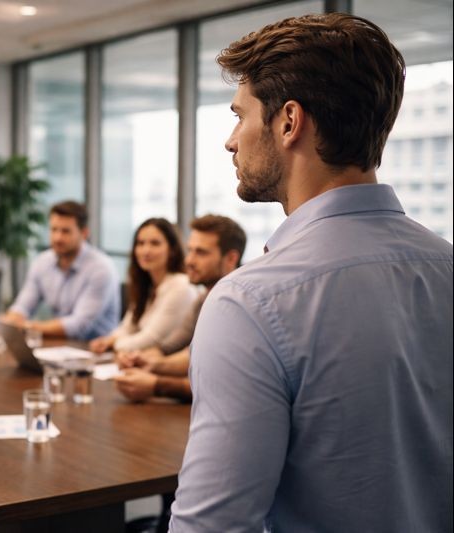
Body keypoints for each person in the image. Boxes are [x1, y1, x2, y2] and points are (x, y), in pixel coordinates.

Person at [170, 13, 453, 533]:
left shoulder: (251, 302)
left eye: (240, 116)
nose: (231, 141)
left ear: (288, 122)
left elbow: (212, 527)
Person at [114, 214, 245, 403]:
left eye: (201, 253)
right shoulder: (203, 298)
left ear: (231, 258)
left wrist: (156, 384)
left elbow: (220, 384)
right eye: (189, 250)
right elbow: (174, 347)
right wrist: (144, 360)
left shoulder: (238, 306)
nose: (189, 261)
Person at [4, 200, 119, 340]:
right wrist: (10, 322)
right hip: (58, 347)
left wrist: (27, 327)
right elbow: (23, 306)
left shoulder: (101, 269)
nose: (58, 238)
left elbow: (78, 326)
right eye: (54, 230)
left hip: (94, 350)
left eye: (66, 231)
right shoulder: (42, 262)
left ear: (84, 233)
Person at [89, 218, 197, 353]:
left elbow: (151, 339)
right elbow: (128, 326)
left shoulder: (181, 286)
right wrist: (107, 340)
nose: (146, 250)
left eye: (155, 243)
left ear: (172, 250)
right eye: (140, 243)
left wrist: (115, 343)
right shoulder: (148, 285)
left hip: (169, 367)